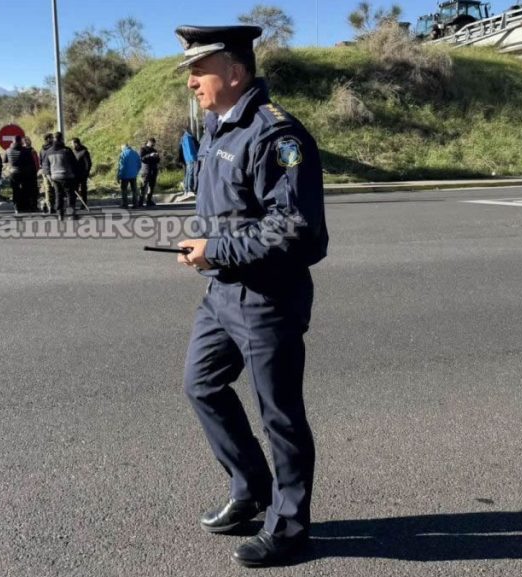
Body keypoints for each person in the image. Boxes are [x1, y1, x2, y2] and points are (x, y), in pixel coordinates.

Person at [173, 25, 329, 568]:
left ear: (235, 72)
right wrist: (206, 249)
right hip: (222, 293)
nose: (191, 81)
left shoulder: (276, 135)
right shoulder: (219, 128)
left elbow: (296, 230)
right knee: (200, 384)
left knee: (279, 413)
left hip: (269, 297)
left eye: (200, 70)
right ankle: (251, 488)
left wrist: (215, 248)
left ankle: (289, 527)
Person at [41, 132, 79, 221]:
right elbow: (74, 164)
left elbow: (45, 166)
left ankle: (60, 214)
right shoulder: (67, 150)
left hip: (55, 178)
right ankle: (70, 215)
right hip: (67, 177)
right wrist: (76, 176)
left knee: (58, 195)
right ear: (61, 139)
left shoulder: (48, 152)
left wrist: (49, 176)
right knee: (70, 195)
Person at [116, 143, 141, 208]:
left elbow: (121, 166)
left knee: (124, 190)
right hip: (133, 175)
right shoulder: (135, 153)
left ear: (124, 148)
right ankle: (135, 204)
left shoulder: (123, 154)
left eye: (121, 148)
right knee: (134, 190)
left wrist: (119, 175)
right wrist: (136, 172)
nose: (121, 149)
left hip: (125, 175)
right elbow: (139, 164)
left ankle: (125, 204)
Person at [138, 137, 161, 207]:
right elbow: (142, 159)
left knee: (152, 186)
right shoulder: (143, 149)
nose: (153, 144)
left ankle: (149, 200)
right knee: (143, 186)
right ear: (148, 142)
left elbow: (158, 160)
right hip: (146, 170)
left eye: (154, 143)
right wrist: (149, 155)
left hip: (153, 170)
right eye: (152, 143)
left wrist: (156, 156)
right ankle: (141, 201)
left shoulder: (154, 150)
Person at [71, 137, 92, 206]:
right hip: (75, 174)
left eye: (72, 143)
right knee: (74, 189)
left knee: (83, 189)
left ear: (76, 143)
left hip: (83, 174)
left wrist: (86, 173)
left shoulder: (84, 152)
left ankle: (84, 203)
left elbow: (88, 163)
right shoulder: (73, 152)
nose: (72, 145)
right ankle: (73, 204)